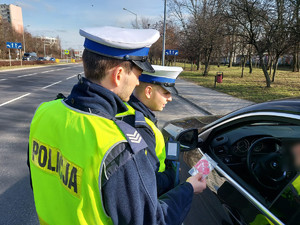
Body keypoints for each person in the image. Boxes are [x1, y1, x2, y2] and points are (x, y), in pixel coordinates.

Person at [28, 26, 206, 225]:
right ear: (119, 74)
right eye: (138, 73)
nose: (138, 81)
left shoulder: (44, 112)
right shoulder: (119, 146)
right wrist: (188, 189)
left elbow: (39, 180)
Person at [116, 65, 183, 195]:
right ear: (148, 91)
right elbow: (148, 182)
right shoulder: (141, 128)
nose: (170, 98)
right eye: (166, 93)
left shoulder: (127, 109)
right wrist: (171, 176)